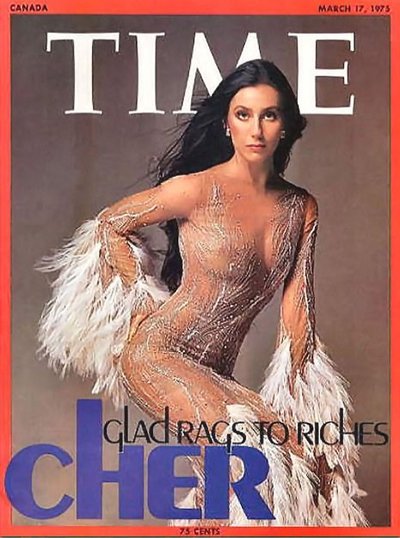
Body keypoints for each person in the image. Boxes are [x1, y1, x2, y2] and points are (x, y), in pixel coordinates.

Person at [38, 60, 366, 526]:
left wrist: (304, 399)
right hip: (159, 354)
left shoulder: (301, 207)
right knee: (248, 456)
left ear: (286, 125)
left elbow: (297, 307)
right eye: (243, 115)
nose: (256, 129)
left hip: (217, 372)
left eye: (269, 115)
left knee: (280, 468)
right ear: (227, 124)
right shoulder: (197, 189)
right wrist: (140, 301)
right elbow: (111, 224)